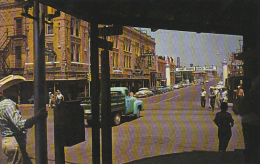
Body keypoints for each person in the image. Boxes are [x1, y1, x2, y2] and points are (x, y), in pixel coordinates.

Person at [0, 77, 48, 164]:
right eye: (16, 88)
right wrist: (36, 118)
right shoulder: (9, 105)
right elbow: (19, 124)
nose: (18, 91)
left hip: (10, 141)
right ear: (8, 90)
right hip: (14, 141)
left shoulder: (3, 103)